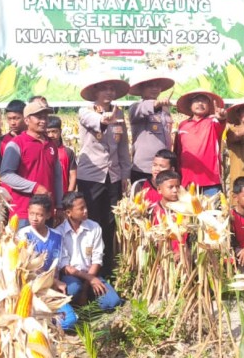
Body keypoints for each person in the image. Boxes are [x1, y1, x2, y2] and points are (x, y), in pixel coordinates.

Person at [77, 77, 132, 277]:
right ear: (95, 92)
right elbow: (92, 121)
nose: (109, 93)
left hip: (113, 177)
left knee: (110, 223)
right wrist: (103, 120)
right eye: (104, 89)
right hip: (92, 177)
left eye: (112, 89)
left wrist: (125, 174)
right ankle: (89, 271)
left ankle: (107, 270)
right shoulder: (86, 111)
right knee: (92, 222)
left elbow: (124, 148)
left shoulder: (120, 115)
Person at [16, 194, 78, 331]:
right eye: (31, 213)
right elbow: (26, 268)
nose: (34, 218)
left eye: (39, 215)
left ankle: (47, 319)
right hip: (31, 290)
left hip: (51, 290)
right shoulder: (23, 235)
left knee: (69, 322)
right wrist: (55, 282)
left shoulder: (57, 236)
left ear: (48, 215)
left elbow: (62, 262)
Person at [0, 101, 63, 229]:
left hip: (46, 212)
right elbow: (6, 175)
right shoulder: (16, 144)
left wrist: (59, 205)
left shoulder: (51, 145)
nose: (43, 121)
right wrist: (34, 187)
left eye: (45, 117)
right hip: (24, 213)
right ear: (27, 120)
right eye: (39, 117)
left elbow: (57, 177)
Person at [57, 192, 123, 310]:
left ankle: (88, 297)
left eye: (85, 206)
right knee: (73, 289)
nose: (86, 210)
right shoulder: (59, 232)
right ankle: (79, 301)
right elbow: (66, 268)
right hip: (72, 277)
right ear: (68, 213)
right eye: (81, 208)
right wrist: (90, 279)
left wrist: (87, 287)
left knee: (113, 302)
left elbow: (97, 259)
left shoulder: (94, 227)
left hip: (92, 273)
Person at [173, 90, 227, 197]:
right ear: (190, 105)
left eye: (204, 101)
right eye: (197, 100)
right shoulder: (182, 125)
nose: (200, 104)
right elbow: (177, 152)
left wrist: (221, 118)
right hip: (187, 181)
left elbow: (221, 122)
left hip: (211, 182)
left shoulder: (213, 122)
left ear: (209, 106)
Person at [127, 75, 175, 184]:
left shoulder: (165, 109)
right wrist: (157, 104)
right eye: (150, 85)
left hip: (164, 168)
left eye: (157, 86)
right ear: (141, 89)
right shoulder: (136, 107)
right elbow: (145, 108)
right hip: (144, 168)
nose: (155, 88)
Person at [0, 100, 27, 172]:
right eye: (9, 119)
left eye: (16, 118)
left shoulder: (33, 139)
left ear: (25, 117)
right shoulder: (1, 142)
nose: (12, 123)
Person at [47, 116, 77, 196]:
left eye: (54, 131)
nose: (51, 135)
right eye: (48, 132)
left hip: (63, 195)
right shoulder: (41, 151)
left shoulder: (68, 152)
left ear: (60, 131)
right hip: (46, 195)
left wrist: (69, 195)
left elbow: (73, 175)